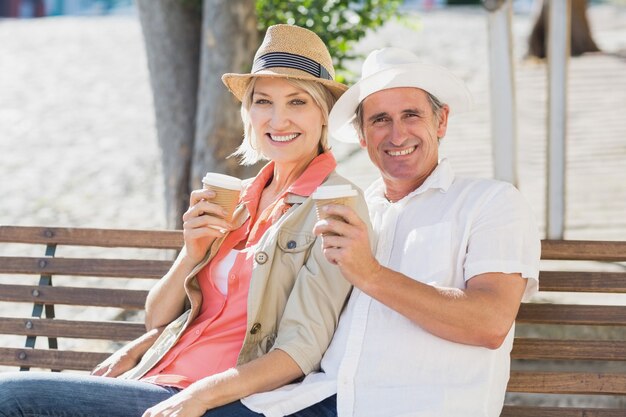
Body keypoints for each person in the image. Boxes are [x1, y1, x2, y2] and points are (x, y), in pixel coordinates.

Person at [0, 24, 372, 417]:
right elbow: (156, 317)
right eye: (263, 102)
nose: (278, 120)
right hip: (158, 380)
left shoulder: (334, 204)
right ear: (249, 112)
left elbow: (299, 352)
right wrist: (190, 253)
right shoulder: (240, 198)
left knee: (11, 398)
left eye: (298, 102)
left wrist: (200, 397)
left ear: (324, 113)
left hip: (218, 401)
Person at [238, 47, 541, 417]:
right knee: (161, 402)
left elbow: (490, 323)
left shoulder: (490, 202)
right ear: (362, 135)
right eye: (379, 120)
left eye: (411, 115)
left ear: (441, 121)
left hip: (418, 408)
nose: (397, 135)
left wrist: (371, 274)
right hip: (315, 399)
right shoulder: (354, 208)